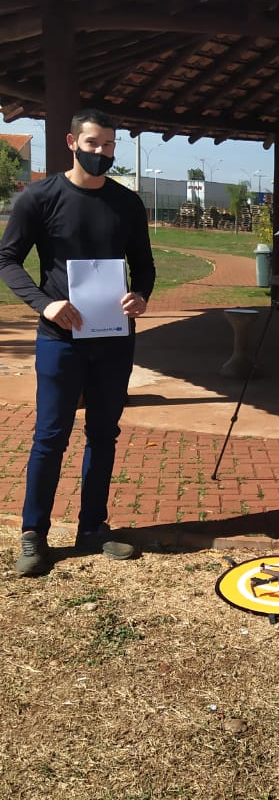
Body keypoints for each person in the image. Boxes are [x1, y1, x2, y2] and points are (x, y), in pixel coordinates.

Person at [0, 107, 156, 576]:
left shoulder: (127, 203)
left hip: (113, 338)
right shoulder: (40, 197)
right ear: (72, 143)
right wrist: (43, 304)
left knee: (104, 434)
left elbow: (144, 265)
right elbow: (7, 259)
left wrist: (141, 296)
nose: (101, 152)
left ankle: (92, 528)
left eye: (109, 145)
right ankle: (34, 534)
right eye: (93, 143)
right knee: (50, 436)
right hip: (60, 339)